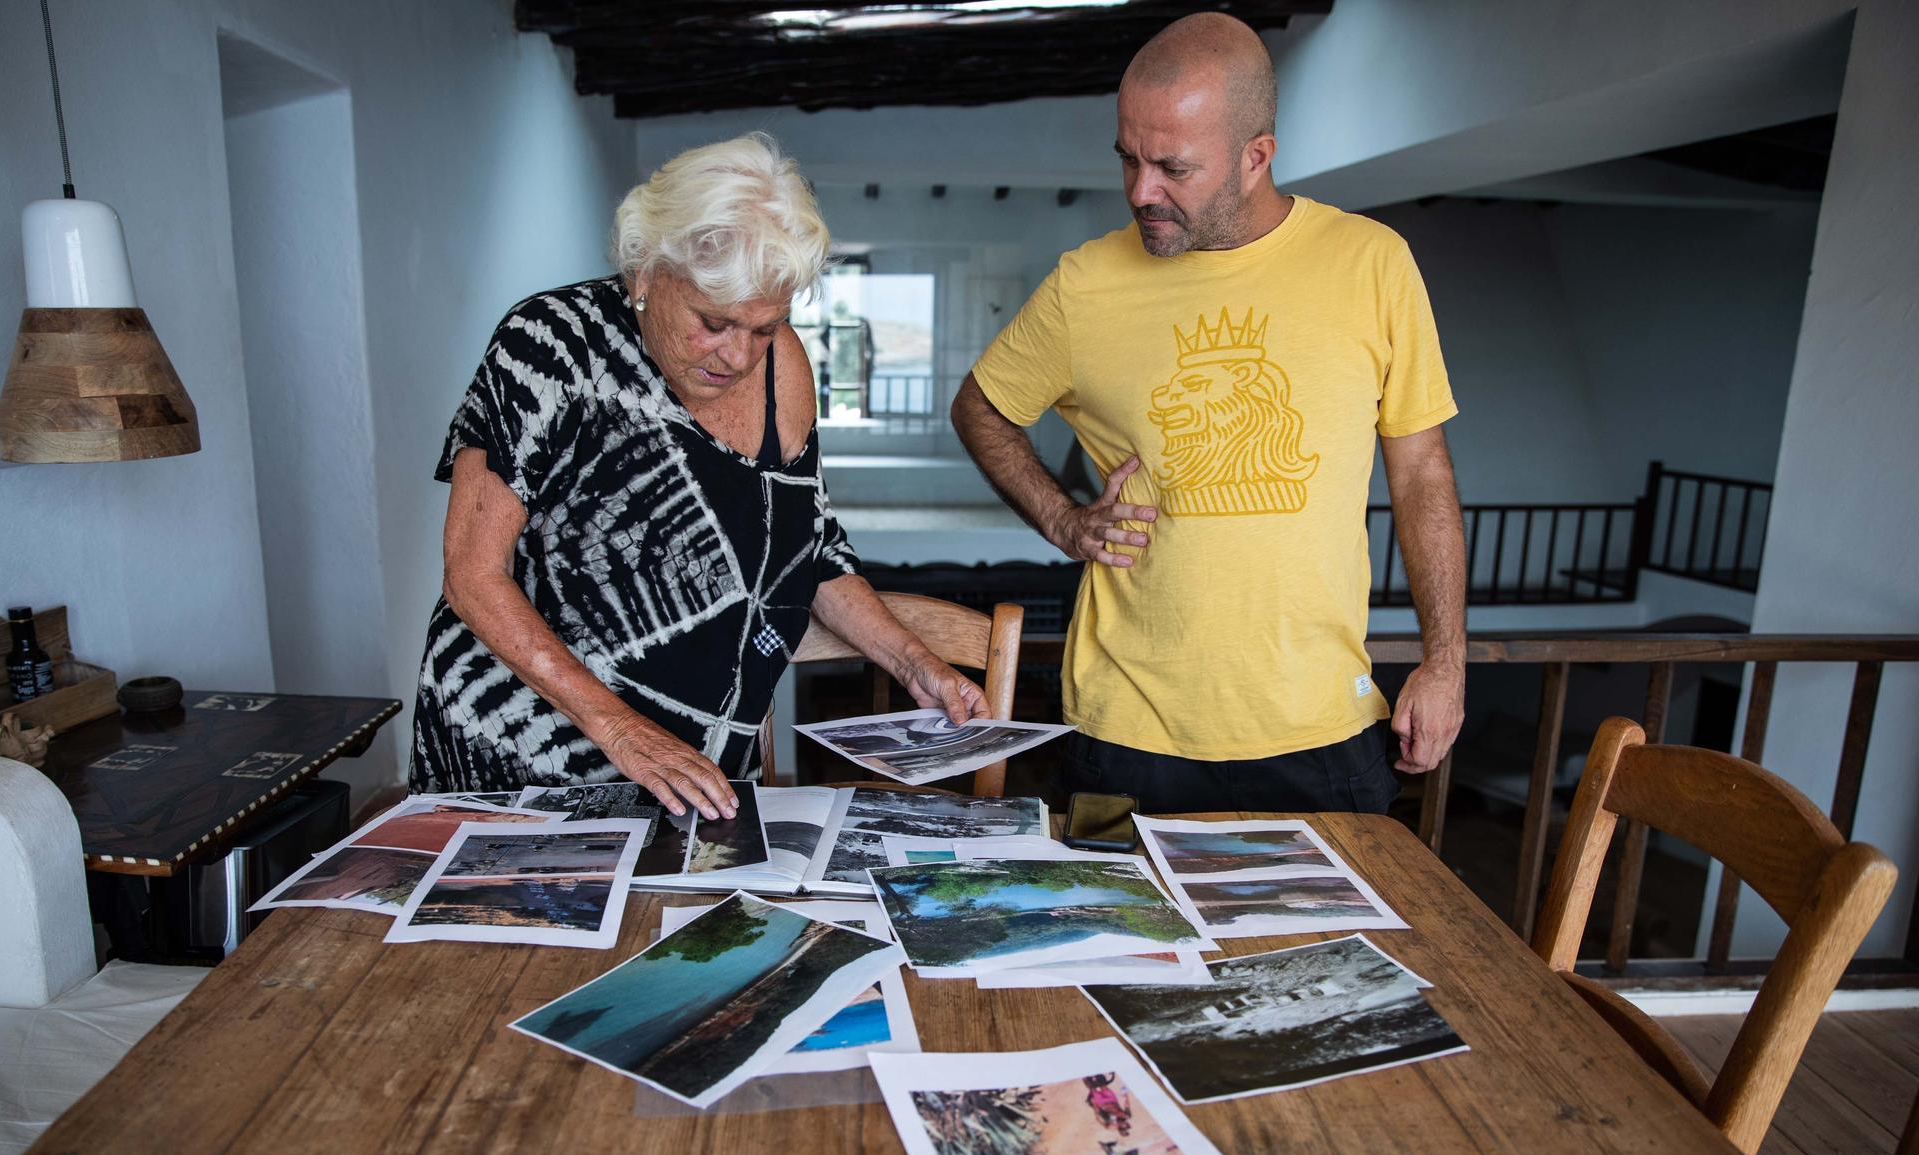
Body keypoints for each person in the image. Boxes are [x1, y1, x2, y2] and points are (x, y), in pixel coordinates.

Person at [951, 13, 1466, 815]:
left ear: (1256, 156)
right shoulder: (1085, 283)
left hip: (1322, 731)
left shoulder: (1373, 265)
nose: (1139, 192)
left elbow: (1423, 471)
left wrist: (1446, 661)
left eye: (1172, 167)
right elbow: (982, 406)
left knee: (1327, 944)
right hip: (1125, 733)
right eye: (1128, 158)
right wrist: (1062, 520)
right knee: (1116, 941)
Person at [411, 134, 988, 815]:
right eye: (714, 322)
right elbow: (473, 573)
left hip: (703, 784)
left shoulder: (784, 369)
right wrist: (622, 730)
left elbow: (811, 554)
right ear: (647, 274)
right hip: (523, 768)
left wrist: (912, 660)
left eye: (765, 327)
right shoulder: (550, 345)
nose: (740, 355)